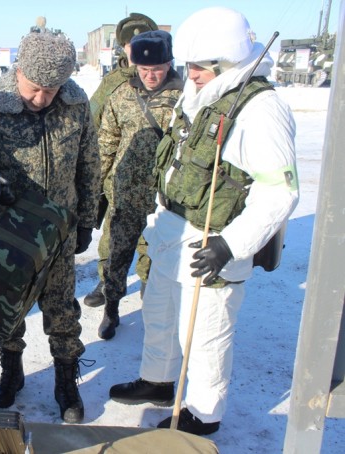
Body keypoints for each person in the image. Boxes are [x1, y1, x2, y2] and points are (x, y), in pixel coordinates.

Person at [108, 7, 299, 435]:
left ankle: (202, 412)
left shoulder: (260, 110)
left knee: (206, 335)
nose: (189, 74)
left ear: (226, 64)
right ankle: (157, 380)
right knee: (159, 313)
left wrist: (230, 245)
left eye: (199, 67)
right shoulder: (204, 93)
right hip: (173, 230)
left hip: (213, 241)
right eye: (188, 65)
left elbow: (279, 191)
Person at [0, 31, 101, 424]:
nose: (42, 98)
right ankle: (11, 368)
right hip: (10, 232)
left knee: (62, 309)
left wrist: (86, 221)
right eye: (35, 88)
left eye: (52, 90)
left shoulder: (75, 103)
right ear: (18, 70)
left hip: (57, 231)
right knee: (8, 306)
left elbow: (89, 166)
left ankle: (66, 382)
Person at [95, 30, 183, 340]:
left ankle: (153, 312)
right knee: (117, 256)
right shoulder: (122, 94)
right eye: (144, 70)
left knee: (156, 258)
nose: (150, 76)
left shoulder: (185, 98)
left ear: (169, 64)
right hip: (124, 194)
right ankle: (112, 309)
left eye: (156, 69)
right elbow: (106, 142)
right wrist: (96, 188)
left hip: (164, 199)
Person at [85, 12, 159, 309]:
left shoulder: (170, 81)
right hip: (119, 178)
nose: (135, 49)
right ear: (123, 47)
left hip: (158, 180)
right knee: (113, 236)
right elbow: (93, 124)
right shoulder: (112, 83)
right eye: (130, 44)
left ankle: (148, 281)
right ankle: (107, 280)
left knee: (153, 238)